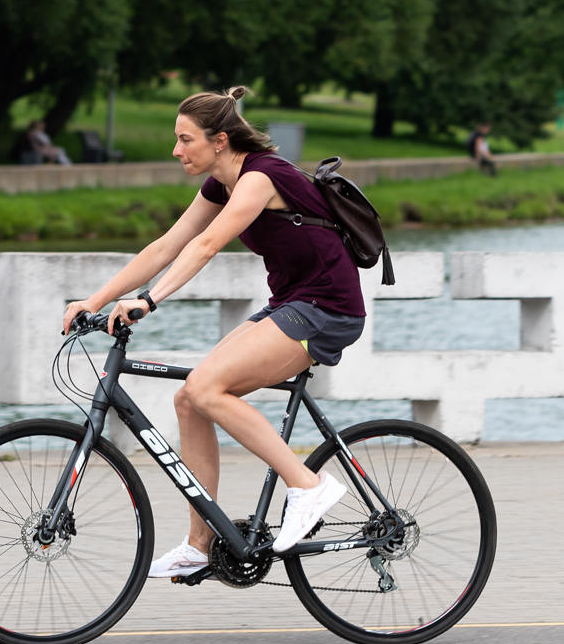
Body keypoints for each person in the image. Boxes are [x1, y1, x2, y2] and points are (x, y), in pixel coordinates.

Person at [60, 86, 366, 579]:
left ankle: (308, 486)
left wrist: (149, 300)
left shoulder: (261, 177)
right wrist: (92, 301)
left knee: (207, 386)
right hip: (291, 304)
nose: (176, 150)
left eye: (185, 139)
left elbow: (205, 247)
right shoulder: (219, 186)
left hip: (327, 308)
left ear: (219, 140)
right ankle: (200, 545)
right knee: (189, 399)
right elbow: (166, 246)